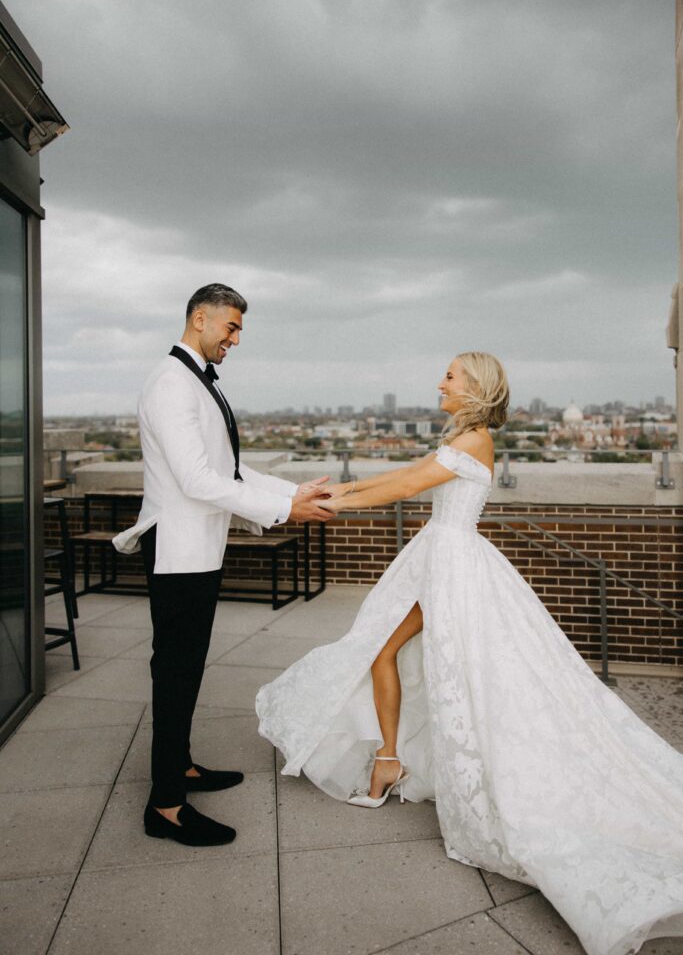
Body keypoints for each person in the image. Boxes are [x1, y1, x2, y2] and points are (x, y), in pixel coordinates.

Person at [255, 351, 683, 955]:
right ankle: (388, 758)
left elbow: (403, 487)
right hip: (442, 560)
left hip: (452, 567)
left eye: (450, 376)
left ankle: (390, 761)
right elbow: (401, 475)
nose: (440, 382)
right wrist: (332, 487)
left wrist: (324, 507)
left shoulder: (476, 440)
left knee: (423, 662)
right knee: (387, 654)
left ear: (474, 387)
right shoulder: (465, 438)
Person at [113, 283, 334, 848]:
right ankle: (165, 806)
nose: (235, 339)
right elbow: (197, 481)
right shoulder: (170, 384)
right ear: (199, 318)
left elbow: (228, 470)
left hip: (199, 548)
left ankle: (181, 766)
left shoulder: (194, 381)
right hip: (178, 550)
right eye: (230, 327)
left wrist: (292, 489)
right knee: (176, 672)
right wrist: (286, 510)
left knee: (187, 668)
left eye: (238, 330)